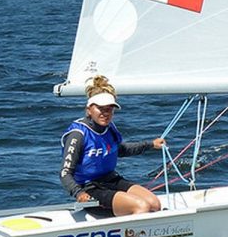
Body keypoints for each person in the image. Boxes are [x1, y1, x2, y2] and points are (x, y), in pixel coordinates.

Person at [60, 76, 165, 216]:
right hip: (90, 188)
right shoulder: (78, 135)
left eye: (109, 109)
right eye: (100, 108)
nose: (105, 113)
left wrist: (151, 144)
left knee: (154, 204)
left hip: (111, 180)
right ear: (89, 109)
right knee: (141, 207)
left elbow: (120, 150)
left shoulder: (109, 128)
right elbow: (65, 173)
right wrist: (79, 193)